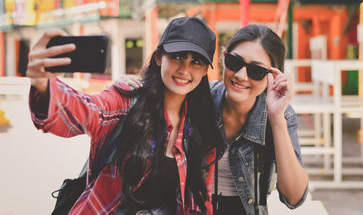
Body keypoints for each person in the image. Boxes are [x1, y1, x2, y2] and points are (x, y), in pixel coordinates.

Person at [26, 17, 224, 215]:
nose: (185, 69)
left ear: (205, 70)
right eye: (177, 56)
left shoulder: (200, 127)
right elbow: (89, 111)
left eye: (196, 62)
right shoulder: (127, 101)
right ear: (158, 57)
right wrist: (43, 85)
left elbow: (200, 200)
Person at [118, 24, 309, 215]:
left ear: (273, 76)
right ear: (223, 58)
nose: (241, 76)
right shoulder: (195, 96)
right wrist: (129, 91)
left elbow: (293, 197)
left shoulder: (280, 114)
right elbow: (157, 93)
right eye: (235, 62)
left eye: (256, 71)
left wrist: (276, 118)